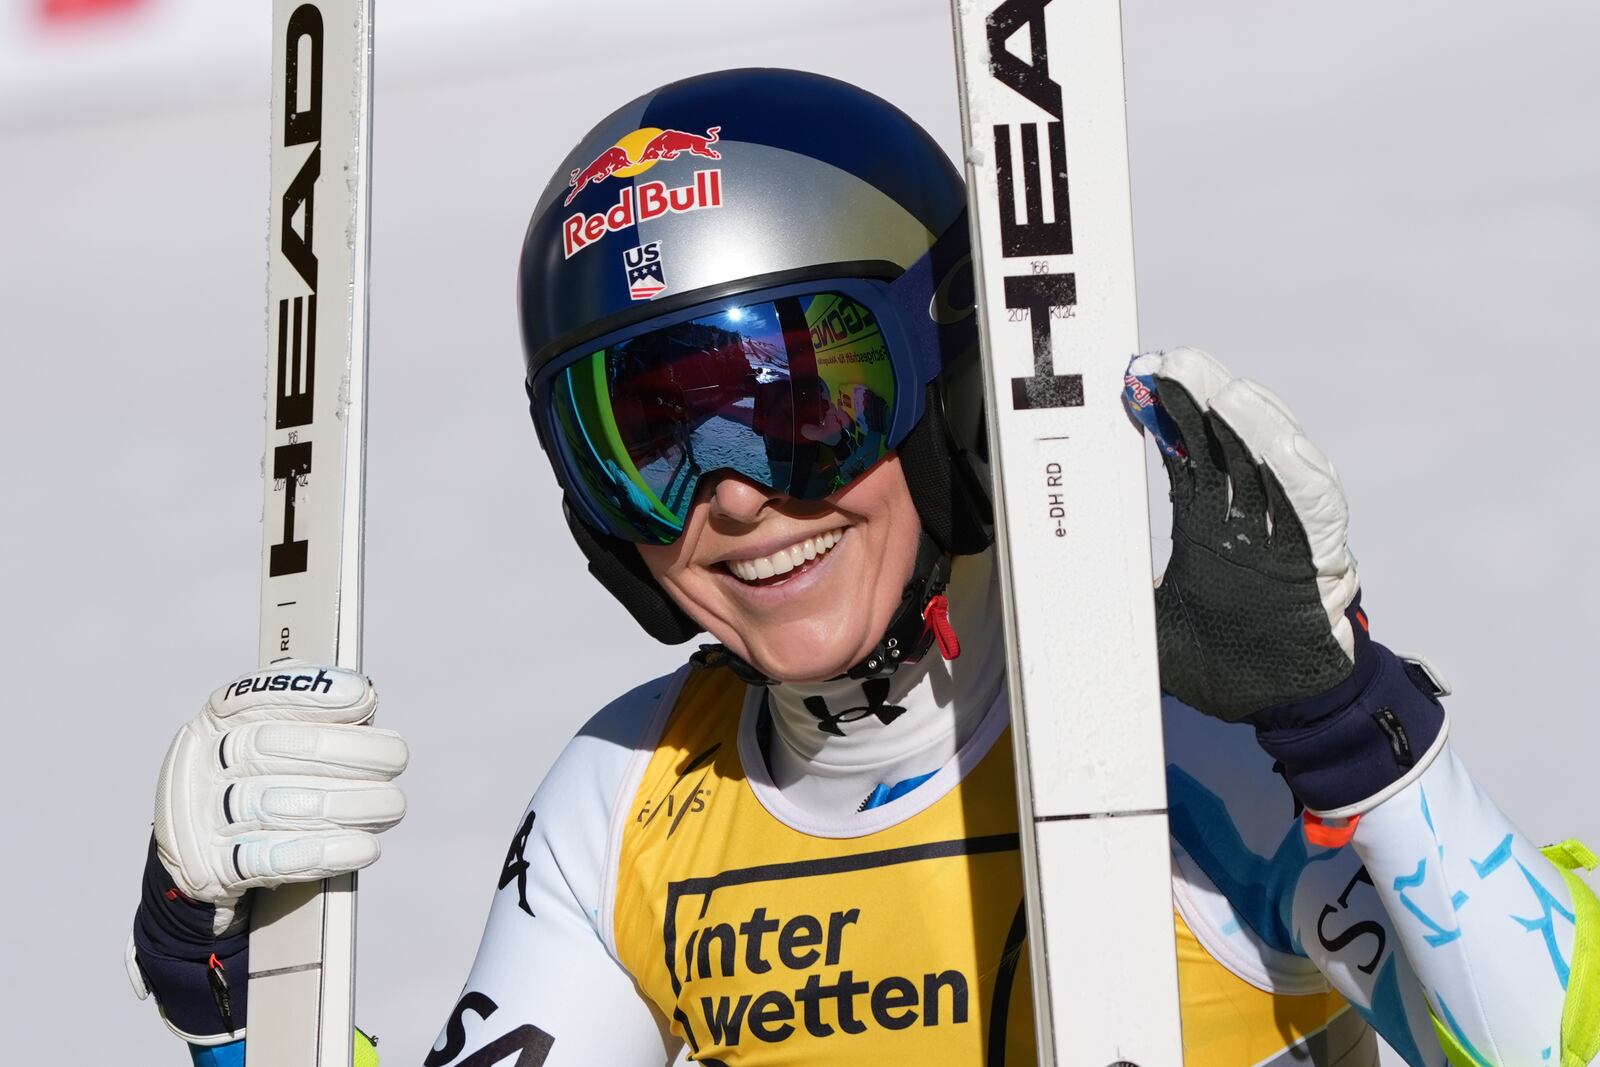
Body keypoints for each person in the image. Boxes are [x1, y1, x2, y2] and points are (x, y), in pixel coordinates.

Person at [128, 69, 1598, 1067]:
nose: (737, 499)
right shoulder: (633, 801)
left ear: (951, 394)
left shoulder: (1173, 743)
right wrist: (235, 990)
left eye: (799, 401)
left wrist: (1356, 743)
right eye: (644, 438)